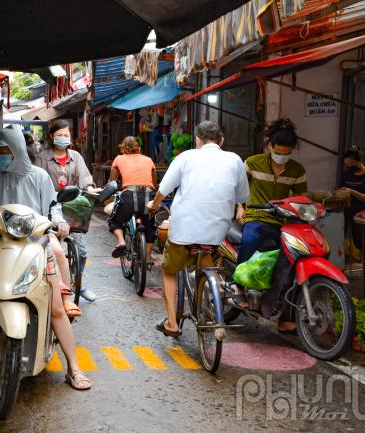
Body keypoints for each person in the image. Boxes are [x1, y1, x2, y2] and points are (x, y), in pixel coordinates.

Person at [0, 127, 91, 391]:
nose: (1, 156)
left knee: (57, 309)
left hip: (37, 246)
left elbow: (53, 207)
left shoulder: (39, 177)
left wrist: (59, 222)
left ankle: (74, 368)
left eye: (5, 151)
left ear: (17, 151)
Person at [147, 121, 249, 337]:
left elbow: (164, 188)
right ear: (222, 141)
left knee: (169, 271)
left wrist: (154, 204)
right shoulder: (235, 159)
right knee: (206, 258)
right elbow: (242, 197)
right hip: (217, 230)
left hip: (185, 228)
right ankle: (217, 296)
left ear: (197, 140)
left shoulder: (186, 157)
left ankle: (172, 323)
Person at [235, 119, 306, 328]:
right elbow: (240, 187)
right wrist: (240, 206)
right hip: (256, 216)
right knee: (250, 239)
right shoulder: (253, 162)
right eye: (279, 152)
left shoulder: (297, 170)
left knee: (291, 261)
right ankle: (238, 285)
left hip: (283, 221)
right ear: (269, 147)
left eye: (287, 153)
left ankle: (283, 312)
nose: (282, 157)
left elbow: (301, 198)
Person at [35, 119, 99, 302]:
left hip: (71, 208)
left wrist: (91, 188)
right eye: (59, 135)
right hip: (47, 207)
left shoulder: (76, 157)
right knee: (49, 250)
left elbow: (85, 178)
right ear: (51, 136)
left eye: (66, 135)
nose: (63, 138)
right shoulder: (41, 157)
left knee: (81, 252)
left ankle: (77, 283)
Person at [108, 136, 157, 266]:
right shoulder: (148, 160)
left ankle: (121, 242)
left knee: (114, 220)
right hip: (148, 196)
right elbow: (154, 182)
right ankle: (147, 256)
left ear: (123, 148)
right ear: (139, 148)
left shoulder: (119, 159)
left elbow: (113, 182)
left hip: (128, 196)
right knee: (150, 225)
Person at [339, 148, 365, 276]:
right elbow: (342, 190)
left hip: (363, 212)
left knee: (359, 241)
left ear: (360, 161)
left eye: (352, 165)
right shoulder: (346, 174)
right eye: (347, 165)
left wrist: (352, 191)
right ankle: (340, 265)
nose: (349, 167)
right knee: (338, 237)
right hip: (345, 209)